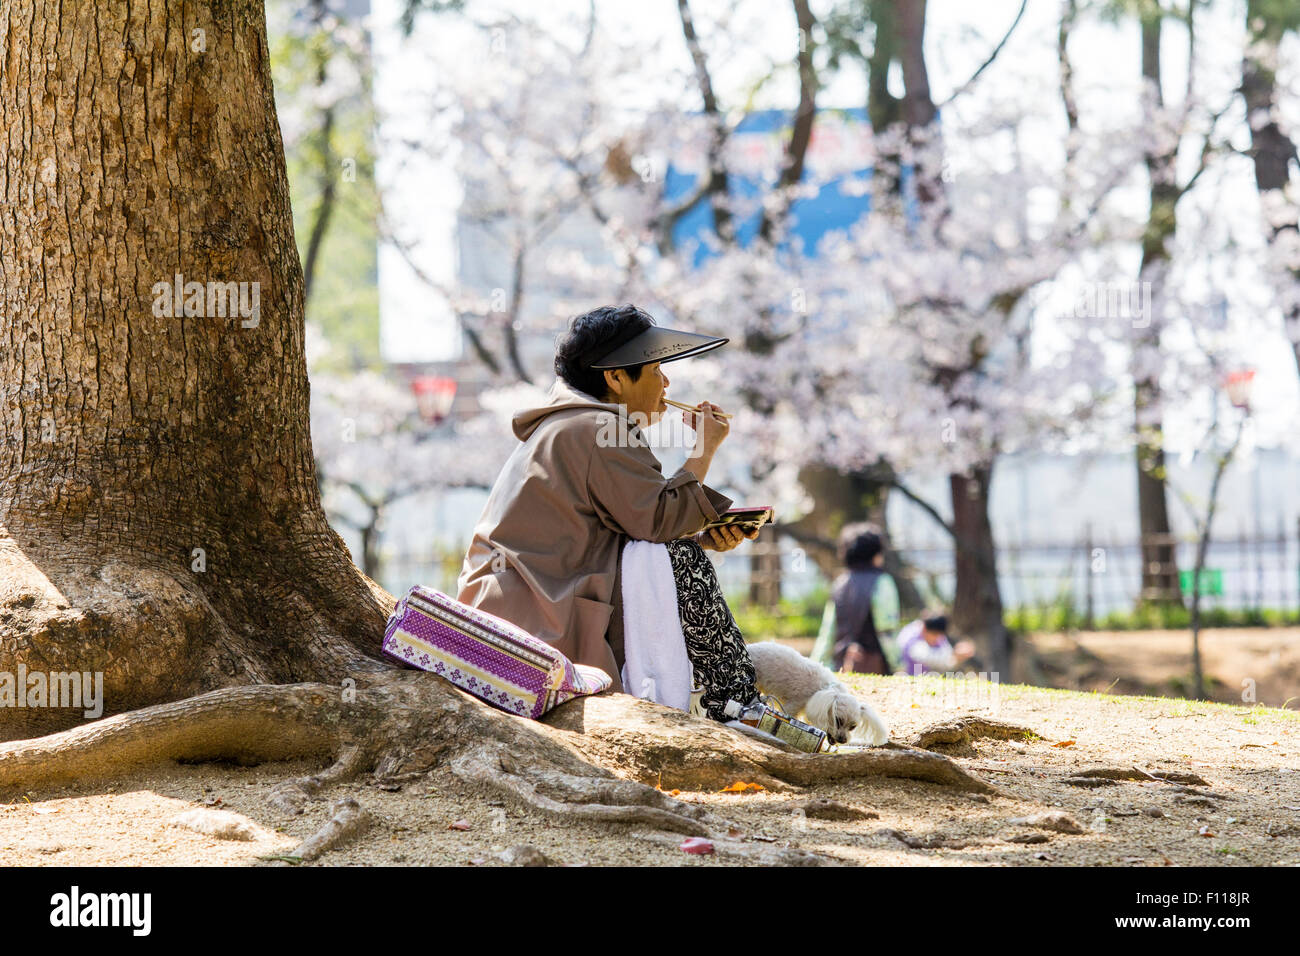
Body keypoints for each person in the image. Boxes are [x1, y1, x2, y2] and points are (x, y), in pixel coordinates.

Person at [456, 304, 763, 722]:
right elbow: (658, 520)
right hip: (537, 622)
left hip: (514, 609)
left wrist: (700, 531)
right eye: (655, 370)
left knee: (679, 552)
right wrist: (704, 450)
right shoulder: (599, 429)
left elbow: (630, 523)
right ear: (616, 377)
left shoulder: (569, 424)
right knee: (680, 560)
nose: (666, 383)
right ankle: (740, 706)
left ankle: (734, 703)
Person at [810, 522, 899, 675]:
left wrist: (814, 667)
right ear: (876, 553)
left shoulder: (839, 583)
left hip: (841, 667)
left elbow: (827, 633)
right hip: (876, 669)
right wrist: (899, 665)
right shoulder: (882, 582)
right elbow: (886, 631)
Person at [896, 610, 976, 676]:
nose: (937, 638)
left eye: (940, 635)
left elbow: (946, 655)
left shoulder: (938, 636)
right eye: (934, 634)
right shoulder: (910, 636)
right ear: (924, 629)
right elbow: (928, 658)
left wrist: (957, 657)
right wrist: (955, 657)